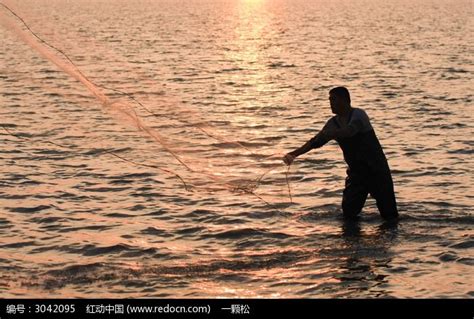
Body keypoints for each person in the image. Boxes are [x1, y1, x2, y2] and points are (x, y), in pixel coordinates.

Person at [283, 87, 398, 220]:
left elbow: (350, 130)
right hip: (356, 173)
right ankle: (353, 240)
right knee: (348, 214)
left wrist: (331, 134)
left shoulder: (359, 114)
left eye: (334, 100)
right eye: (330, 100)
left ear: (345, 100)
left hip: (377, 170)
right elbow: (315, 142)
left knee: (389, 215)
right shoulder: (333, 123)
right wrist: (293, 154)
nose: (331, 103)